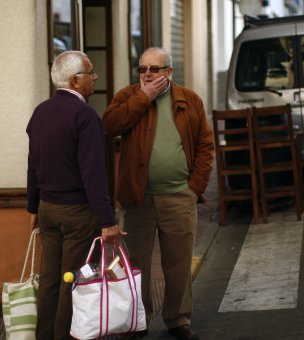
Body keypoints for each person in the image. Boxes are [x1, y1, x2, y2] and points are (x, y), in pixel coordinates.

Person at [102, 47, 214, 340]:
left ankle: (177, 320)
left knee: (177, 262)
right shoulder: (128, 97)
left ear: (169, 72)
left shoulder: (189, 99)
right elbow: (110, 126)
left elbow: (205, 144)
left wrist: (195, 188)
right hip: (138, 198)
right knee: (137, 263)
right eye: (143, 69)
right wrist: (143, 98)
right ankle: (138, 320)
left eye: (154, 69)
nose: (148, 74)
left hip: (179, 195)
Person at [26, 50, 125, 340]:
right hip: (77, 213)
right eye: (90, 73)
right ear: (75, 80)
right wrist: (108, 221)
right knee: (73, 281)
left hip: (47, 209)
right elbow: (93, 175)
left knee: (49, 281)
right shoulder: (85, 116)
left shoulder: (40, 112)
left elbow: (33, 163)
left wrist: (33, 207)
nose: (95, 78)